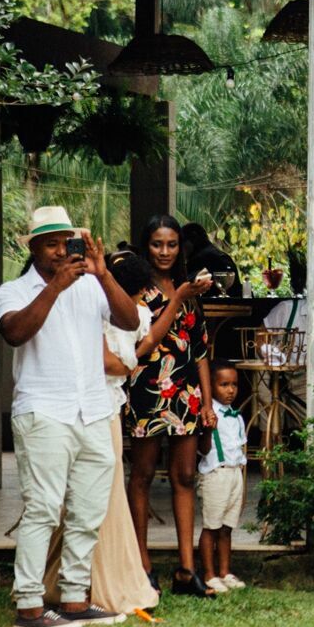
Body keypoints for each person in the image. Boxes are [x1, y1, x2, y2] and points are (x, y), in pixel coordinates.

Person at [0, 206, 140, 627]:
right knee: (42, 509)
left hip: (92, 410)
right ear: (35, 248)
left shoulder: (91, 286)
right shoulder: (13, 290)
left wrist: (103, 274)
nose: (61, 251)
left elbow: (129, 320)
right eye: (52, 243)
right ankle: (29, 606)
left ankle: (75, 598)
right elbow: (15, 333)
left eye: (67, 242)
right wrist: (55, 288)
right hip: (44, 411)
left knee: (87, 510)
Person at [39, 249, 162, 621]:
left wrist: (126, 365)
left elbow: (138, 350)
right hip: (93, 407)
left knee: (103, 497)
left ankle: (79, 582)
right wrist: (126, 366)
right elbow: (114, 362)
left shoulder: (129, 315)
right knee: (95, 497)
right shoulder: (92, 313)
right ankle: (89, 584)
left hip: (108, 406)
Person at [125, 214, 220, 599]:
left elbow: (200, 352)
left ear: (181, 247)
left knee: (184, 478)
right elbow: (142, 342)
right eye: (157, 244)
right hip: (147, 391)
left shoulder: (188, 289)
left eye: (172, 244)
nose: (165, 252)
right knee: (143, 476)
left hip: (185, 395)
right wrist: (178, 298)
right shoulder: (135, 290)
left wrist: (208, 405)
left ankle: (186, 569)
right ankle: (142, 567)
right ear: (145, 246)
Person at [197, 363, 250, 594]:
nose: (230, 390)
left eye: (234, 385)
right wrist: (209, 429)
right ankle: (209, 574)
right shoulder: (209, 415)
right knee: (211, 526)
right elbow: (203, 449)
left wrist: (242, 483)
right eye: (224, 385)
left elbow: (241, 452)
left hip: (234, 473)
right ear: (211, 387)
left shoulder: (237, 417)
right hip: (215, 474)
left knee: (227, 527)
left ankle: (225, 571)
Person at [179, 222, 243, 298]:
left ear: (193, 240)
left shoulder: (198, 259)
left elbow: (181, 288)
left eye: (182, 243)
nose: (180, 250)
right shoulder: (223, 256)